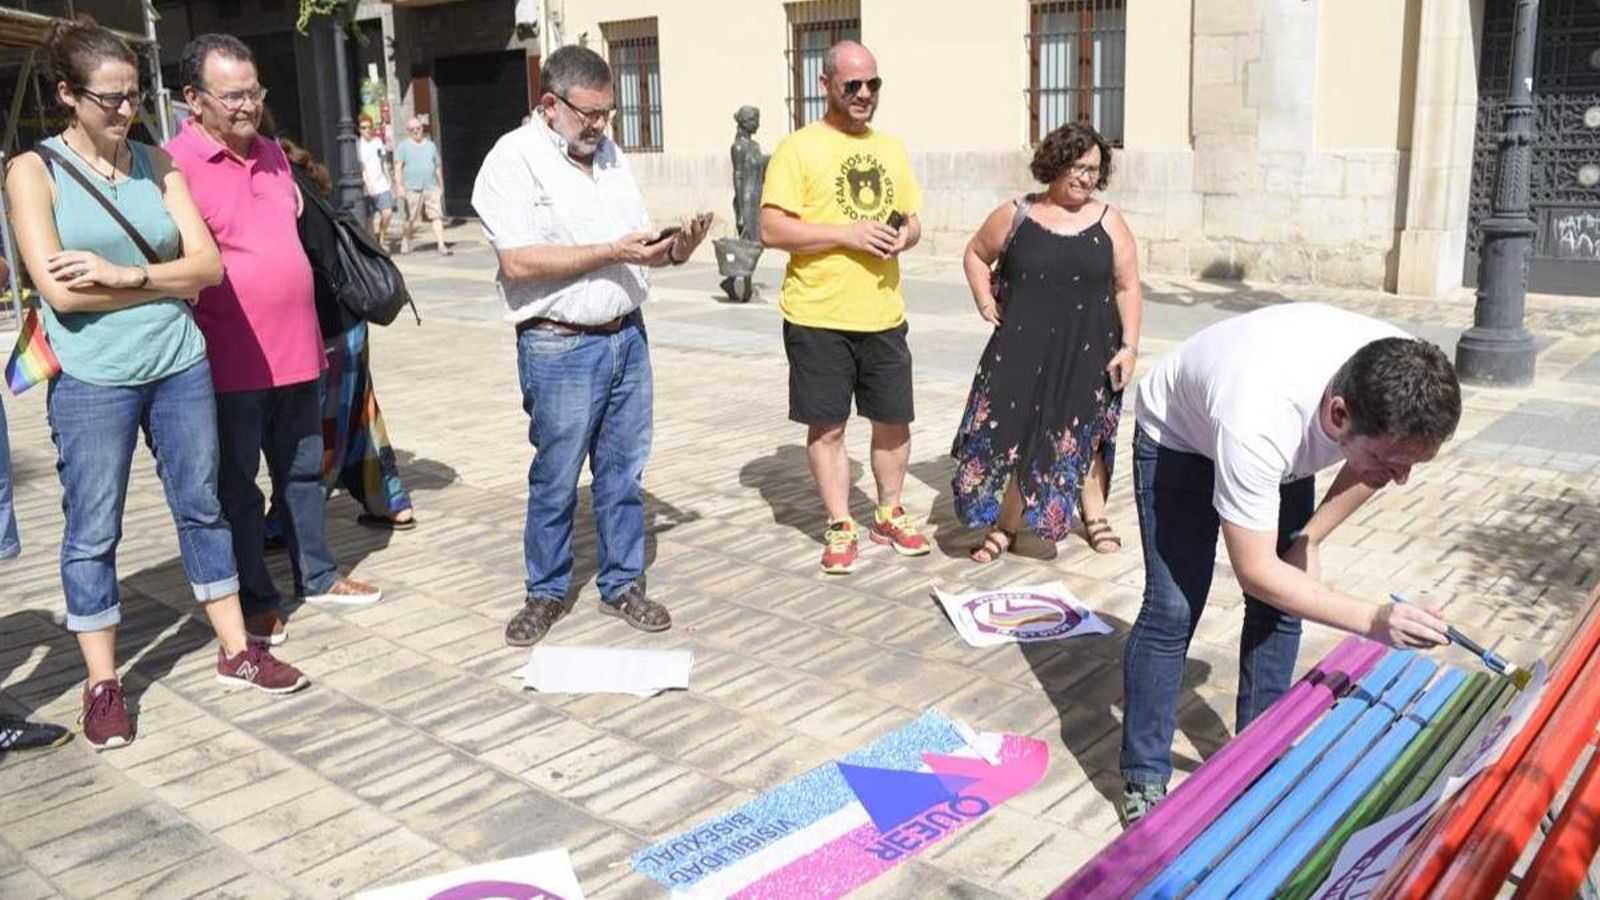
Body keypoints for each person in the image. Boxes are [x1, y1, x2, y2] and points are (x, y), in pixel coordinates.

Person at [4, 17, 308, 748]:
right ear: (67, 95)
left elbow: (207, 268)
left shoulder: (155, 164)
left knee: (201, 506)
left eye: (133, 95)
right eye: (108, 98)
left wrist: (124, 273)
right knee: (93, 530)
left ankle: (238, 651)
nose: (124, 111)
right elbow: (61, 292)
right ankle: (103, 683)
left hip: (179, 363)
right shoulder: (30, 172)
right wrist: (158, 285)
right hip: (92, 375)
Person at [1117, 302, 1460, 825]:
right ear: (1340, 415)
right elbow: (1255, 570)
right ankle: (1144, 775)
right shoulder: (1259, 418)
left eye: (1411, 465)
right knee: (1173, 608)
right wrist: (1373, 621)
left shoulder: (1400, 374)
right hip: (1182, 441)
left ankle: (1259, 757)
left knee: (1283, 603)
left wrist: (1310, 538)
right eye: (1392, 462)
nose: (1400, 479)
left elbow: (1367, 471)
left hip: (1281, 444)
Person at [472, 45, 711, 648]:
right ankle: (546, 591)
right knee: (555, 476)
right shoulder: (513, 159)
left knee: (623, 472)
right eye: (590, 114)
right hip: (560, 346)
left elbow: (635, 246)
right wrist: (612, 251)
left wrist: (676, 247)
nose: (601, 126)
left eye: (609, 114)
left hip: (627, 337)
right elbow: (518, 260)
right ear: (550, 105)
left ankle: (623, 582)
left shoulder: (609, 156)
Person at [167, 33, 382, 648]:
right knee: (237, 487)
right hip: (228, 361)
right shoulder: (172, 165)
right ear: (193, 99)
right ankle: (258, 600)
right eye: (231, 96)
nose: (247, 106)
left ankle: (317, 575)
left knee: (303, 475)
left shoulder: (272, 154)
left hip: (297, 349)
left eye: (253, 92)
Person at [759, 40, 930, 575]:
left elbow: (914, 217)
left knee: (893, 421)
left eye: (872, 84)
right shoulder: (798, 148)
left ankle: (888, 512)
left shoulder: (892, 148)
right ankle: (839, 521)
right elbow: (770, 229)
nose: (863, 94)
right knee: (828, 427)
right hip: (818, 315)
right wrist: (846, 234)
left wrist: (907, 236)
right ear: (826, 84)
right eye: (852, 84)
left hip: (882, 313)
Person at [952, 122, 1141, 563]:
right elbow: (976, 254)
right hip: (1020, 349)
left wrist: (1129, 347)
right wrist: (984, 302)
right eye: (1076, 165)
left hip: (1091, 350)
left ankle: (1093, 516)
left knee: (1086, 434)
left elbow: (1128, 286)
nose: (1084, 176)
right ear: (1054, 164)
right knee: (1017, 432)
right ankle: (1005, 525)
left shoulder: (1109, 221)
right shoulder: (1015, 214)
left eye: (1093, 168)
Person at [277, 133, 416, 531]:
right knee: (360, 415)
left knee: (322, 427)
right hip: (346, 321)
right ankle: (389, 502)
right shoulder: (302, 178)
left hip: (327, 324)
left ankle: (291, 518)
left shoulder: (280, 186)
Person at [396, 117, 450, 256]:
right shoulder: (403, 146)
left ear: (422, 128)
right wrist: (399, 186)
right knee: (410, 219)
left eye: (418, 128)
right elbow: (398, 167)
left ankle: (441, 244)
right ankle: (405, 240)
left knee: (436, 215)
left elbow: (437, 166)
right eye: (412, 129)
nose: (416, 132)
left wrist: (441, 185)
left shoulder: (431, 146)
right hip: (412, 187)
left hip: (431, 186)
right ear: (408, 131)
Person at [356, 113, 394, 245]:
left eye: (369, 127)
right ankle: (375, 244)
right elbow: (362, 168)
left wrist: (389, 178)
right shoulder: (358, 145)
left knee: (387, 213)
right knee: (369, 219)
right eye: (363, 127)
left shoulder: (378, 142)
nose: (367, 130)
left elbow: (383, 161)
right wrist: (368, 184)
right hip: (368, 187)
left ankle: (382, 236)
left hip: (381, 183)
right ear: (359, 129)